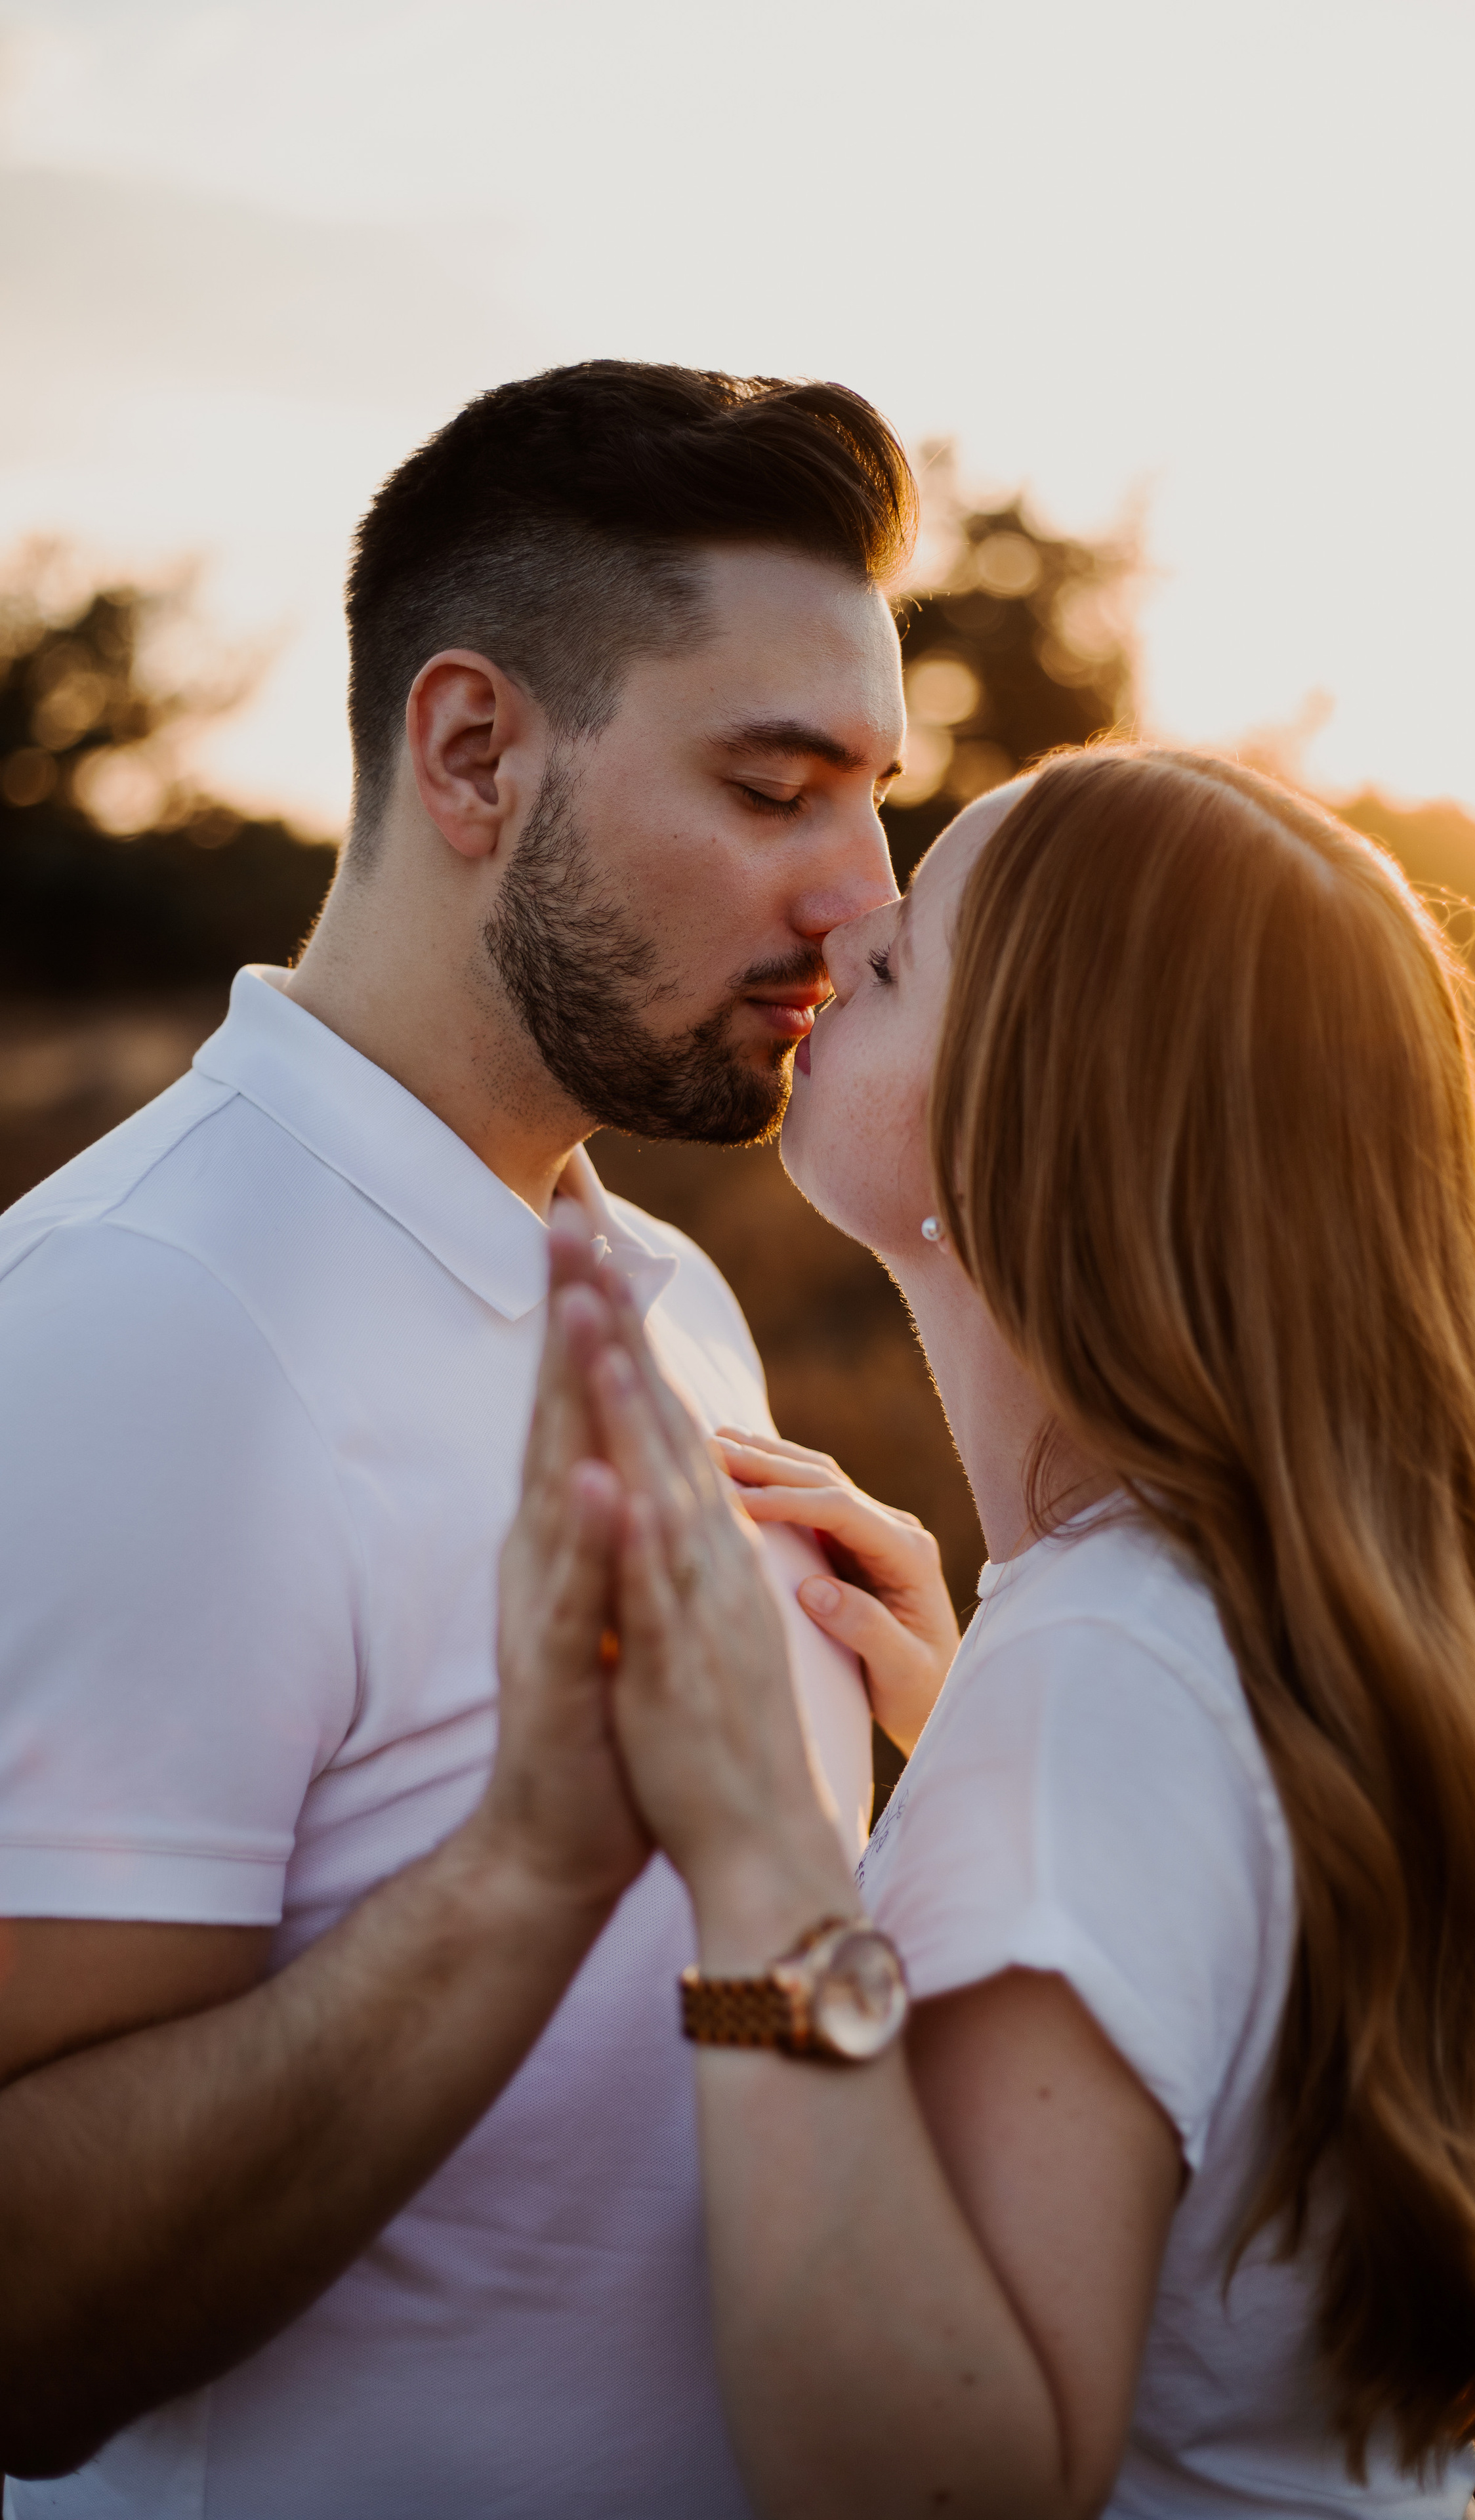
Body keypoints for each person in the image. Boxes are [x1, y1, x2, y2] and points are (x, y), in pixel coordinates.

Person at [514, 746, 1475, 2518]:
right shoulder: (1280, 1626)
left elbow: (956, 2489)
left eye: (898, 966)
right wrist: (974, 1737)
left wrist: (768, 1880)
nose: (840, 933)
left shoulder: (1113, 1681)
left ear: (1036, 1123)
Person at [0, 361, 920, 2516]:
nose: (862, 898)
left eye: (875, 797)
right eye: (779, 787)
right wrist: (521, 1870)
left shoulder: (676, 1309)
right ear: (478, 750)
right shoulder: (145, 1322)